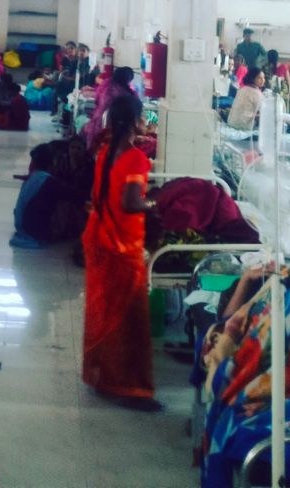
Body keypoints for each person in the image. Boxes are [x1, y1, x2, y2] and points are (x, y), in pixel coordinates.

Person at [82, 93, 160, 410]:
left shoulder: (106, 152)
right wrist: (153, 203)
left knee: (106, 314)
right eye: (143, 117)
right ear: (136, 121)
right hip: (123, 246)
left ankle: (103, 376)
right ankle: (129, 387)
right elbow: (130, 203)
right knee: (129, 320)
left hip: (101, 238)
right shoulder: (136, 158)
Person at [84, 65, 136, 152]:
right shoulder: (125, 93)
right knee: (105, 149)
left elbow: (97, 99)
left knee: (94, 146)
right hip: (111, 125)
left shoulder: (106, 83)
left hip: (97, 118)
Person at [227, 66, 265, 131]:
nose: (263, 80)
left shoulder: (242, 89)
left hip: (231, 124)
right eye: (259, 78)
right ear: (252, 78)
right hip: (244, 128)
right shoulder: (257, 93)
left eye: (263, 78)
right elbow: (263, 111)